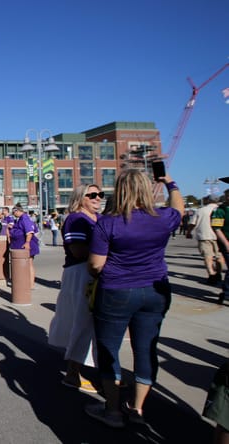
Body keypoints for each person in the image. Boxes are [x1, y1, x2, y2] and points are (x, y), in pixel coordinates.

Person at [84, 169, 183, 428]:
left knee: (109, 349)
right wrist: (170, 183)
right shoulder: (163, 218)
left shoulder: (108, 222)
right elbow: (179, 208)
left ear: (120, 191)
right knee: (146, 348)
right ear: (147, 190)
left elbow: (95, 265)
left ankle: (113, 410)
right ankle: (137, 408)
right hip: (155, 290)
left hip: (117, 289)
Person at [47, 184, 103, 395]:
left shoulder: (96, 219)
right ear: (81, 198)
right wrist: (106, 248)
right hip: (82, 273)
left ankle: (103, 372)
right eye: (92, 195)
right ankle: (73, 373)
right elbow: (78, 250)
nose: (98, 198)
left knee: (95, 324)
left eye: (100, 194)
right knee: (82, 321)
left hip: (96, 273)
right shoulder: (76, 219)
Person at [189, 195, 225, 284]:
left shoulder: (200, 210)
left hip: (204, 236)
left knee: (207, 256)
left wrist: (189, 232)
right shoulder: (221, 210)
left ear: (208, 200)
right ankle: (219, 273)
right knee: (220, 256)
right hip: (219, 236)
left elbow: (192, 223)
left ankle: (211, 274)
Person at [9, 204, 40, 288]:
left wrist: (27, 242)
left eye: (13, 212)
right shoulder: (21, 219)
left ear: (17, 211)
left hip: (26, 244)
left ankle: (31, 284)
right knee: (26, 265)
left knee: (29, 264)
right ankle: (27, 283)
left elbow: (29, 232)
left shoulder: (25, 219)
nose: (13, 214)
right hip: (21, 244)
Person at [212, 186, 229, 305]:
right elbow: (217, 228)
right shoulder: (220, 210)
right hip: (226, 242)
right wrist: (226, 243)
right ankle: (226, 293)